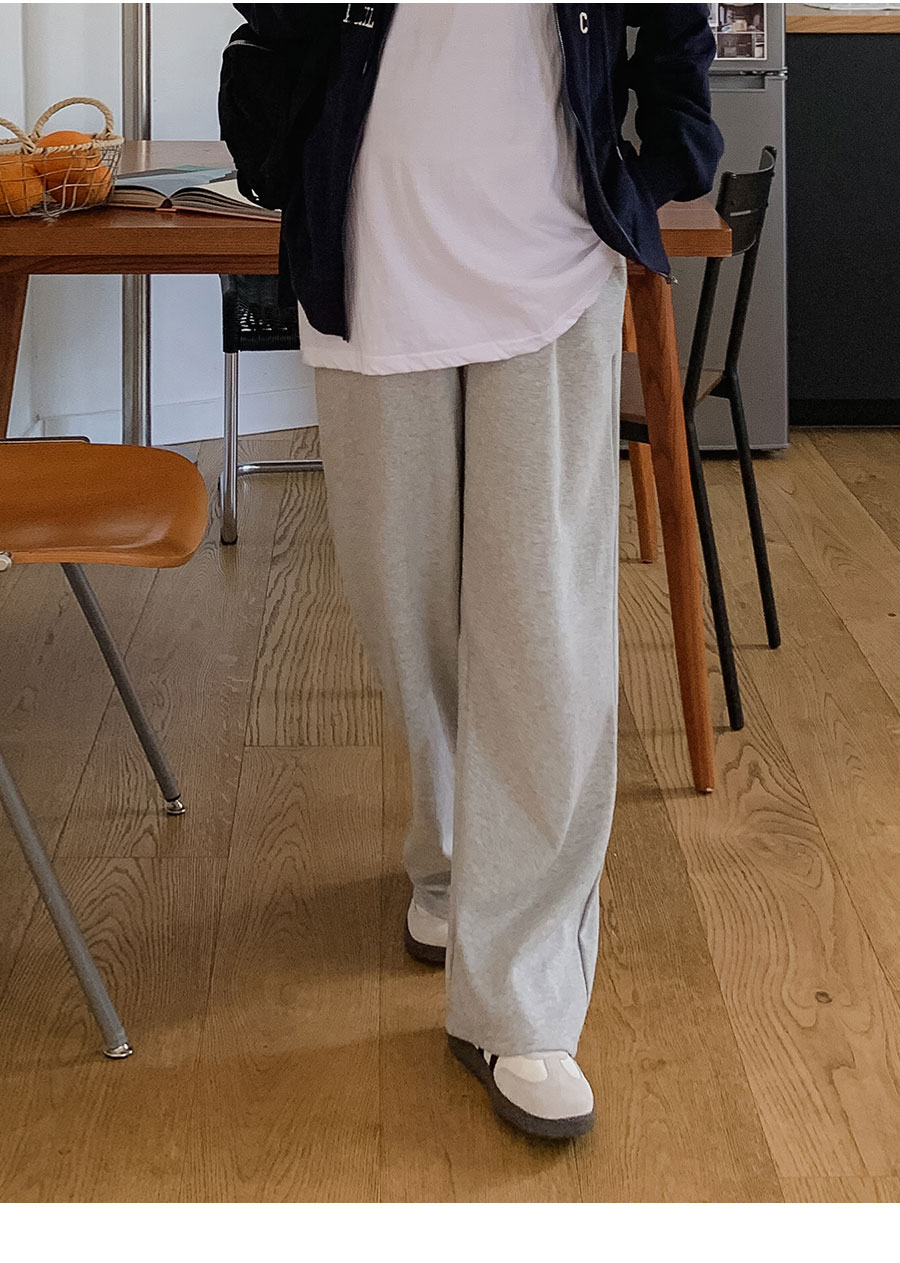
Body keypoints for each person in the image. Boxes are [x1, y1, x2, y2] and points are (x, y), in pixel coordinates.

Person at [234, 1, 723, 1140]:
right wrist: (275, 147)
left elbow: (673, 30)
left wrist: (661, 162)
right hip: (368, 257)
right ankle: (455, 861)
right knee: (403, 607)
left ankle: (523, 996)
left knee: (541, 632)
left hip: (549, 263)